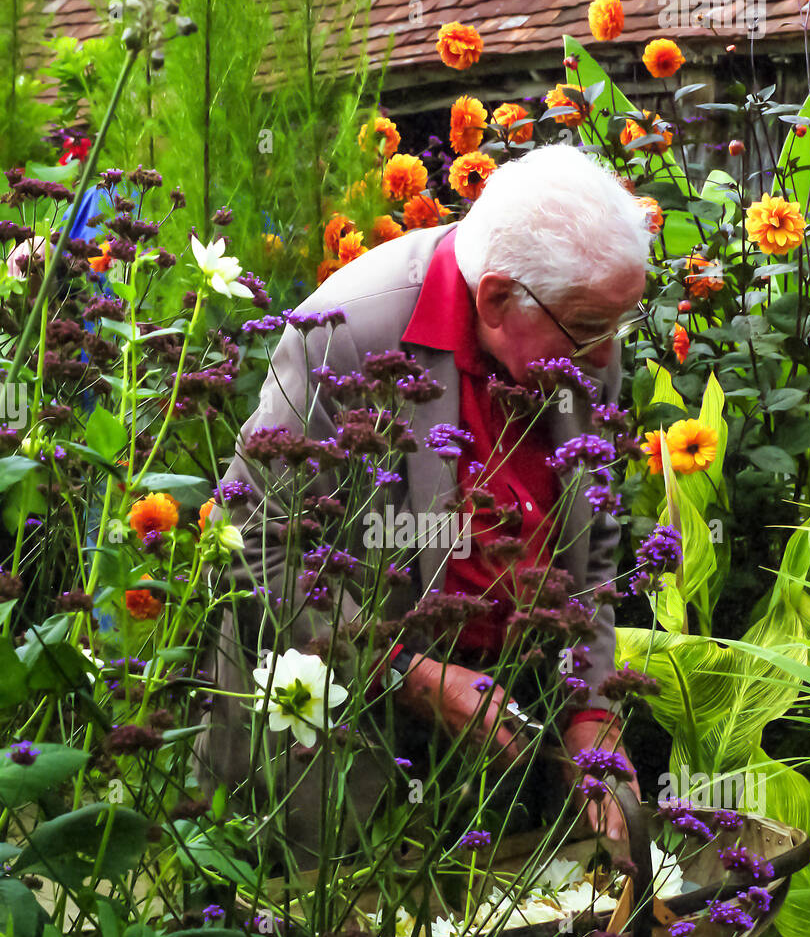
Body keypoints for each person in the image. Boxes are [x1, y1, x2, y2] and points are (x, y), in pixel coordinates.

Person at [194, 144, 649, 864]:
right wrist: (407, 672)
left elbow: (589, 549)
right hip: (335, 742)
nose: (604, 356)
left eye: (615, 327)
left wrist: (589, 709)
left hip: (502, 728)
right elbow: (251, 538)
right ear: (497, 299)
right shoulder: (343, 335)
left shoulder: (579, 330)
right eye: (591, 328)